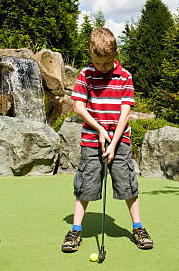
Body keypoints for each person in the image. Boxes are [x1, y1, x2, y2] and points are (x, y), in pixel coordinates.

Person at [61, 27, 153, 252]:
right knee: (86, 184)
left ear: (116, 53)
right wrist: (100, 129)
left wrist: (113, 142)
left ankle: (138, 227)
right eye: (97, 63)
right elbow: (78, 106)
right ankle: (76, 230)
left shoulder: (125, 76)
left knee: (127, 183)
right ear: (90, 53)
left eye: (106, 63)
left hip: (120, 141)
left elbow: (125, 112)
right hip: (92, 140)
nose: (101, 68)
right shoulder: (85, 74)